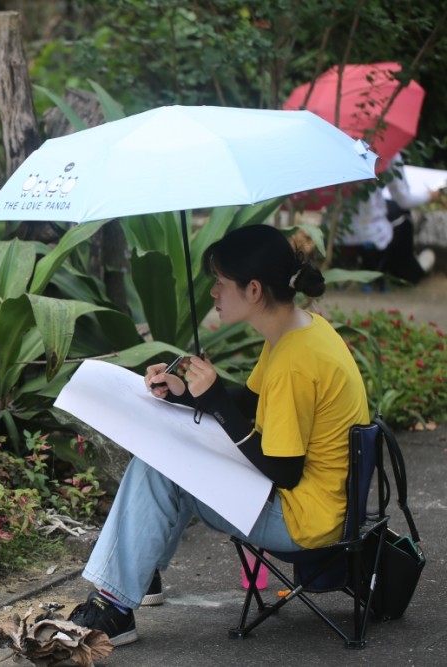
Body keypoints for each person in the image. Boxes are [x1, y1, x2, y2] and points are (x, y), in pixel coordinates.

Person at [67, 224, 370, 646]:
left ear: (253, 290)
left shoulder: (294, 362)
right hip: (323, 503)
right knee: (170, 455)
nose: (213, 293)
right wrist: (188, 394)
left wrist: (216, 405)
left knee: (161, 469)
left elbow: (283, 470)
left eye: (220, 283)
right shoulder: (301, 330)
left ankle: (116, 607)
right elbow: (248, 400)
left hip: (302, 521)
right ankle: (137, 575)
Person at [341, 152, 442, 284]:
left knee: (391, 210)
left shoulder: (334, 144)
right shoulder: (388, 151)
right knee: (403, 218)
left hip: (337, 230)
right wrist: (430, 196)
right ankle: (406, 271)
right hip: (370, 233)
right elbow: (405, 200)